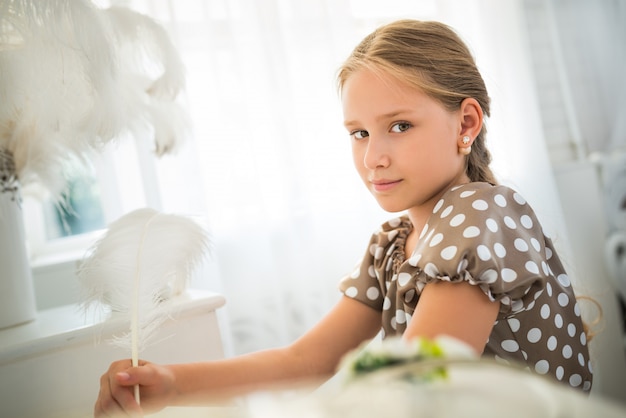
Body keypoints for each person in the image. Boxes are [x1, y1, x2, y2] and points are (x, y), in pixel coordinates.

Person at [95, 19, 593, 417]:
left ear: (465, 122)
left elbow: (411, 383)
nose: (373, 156)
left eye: (399, 126)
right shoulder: (393, 245)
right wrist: (174, 384)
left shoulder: (484, 213)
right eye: (358, 133)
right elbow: (308, 360)